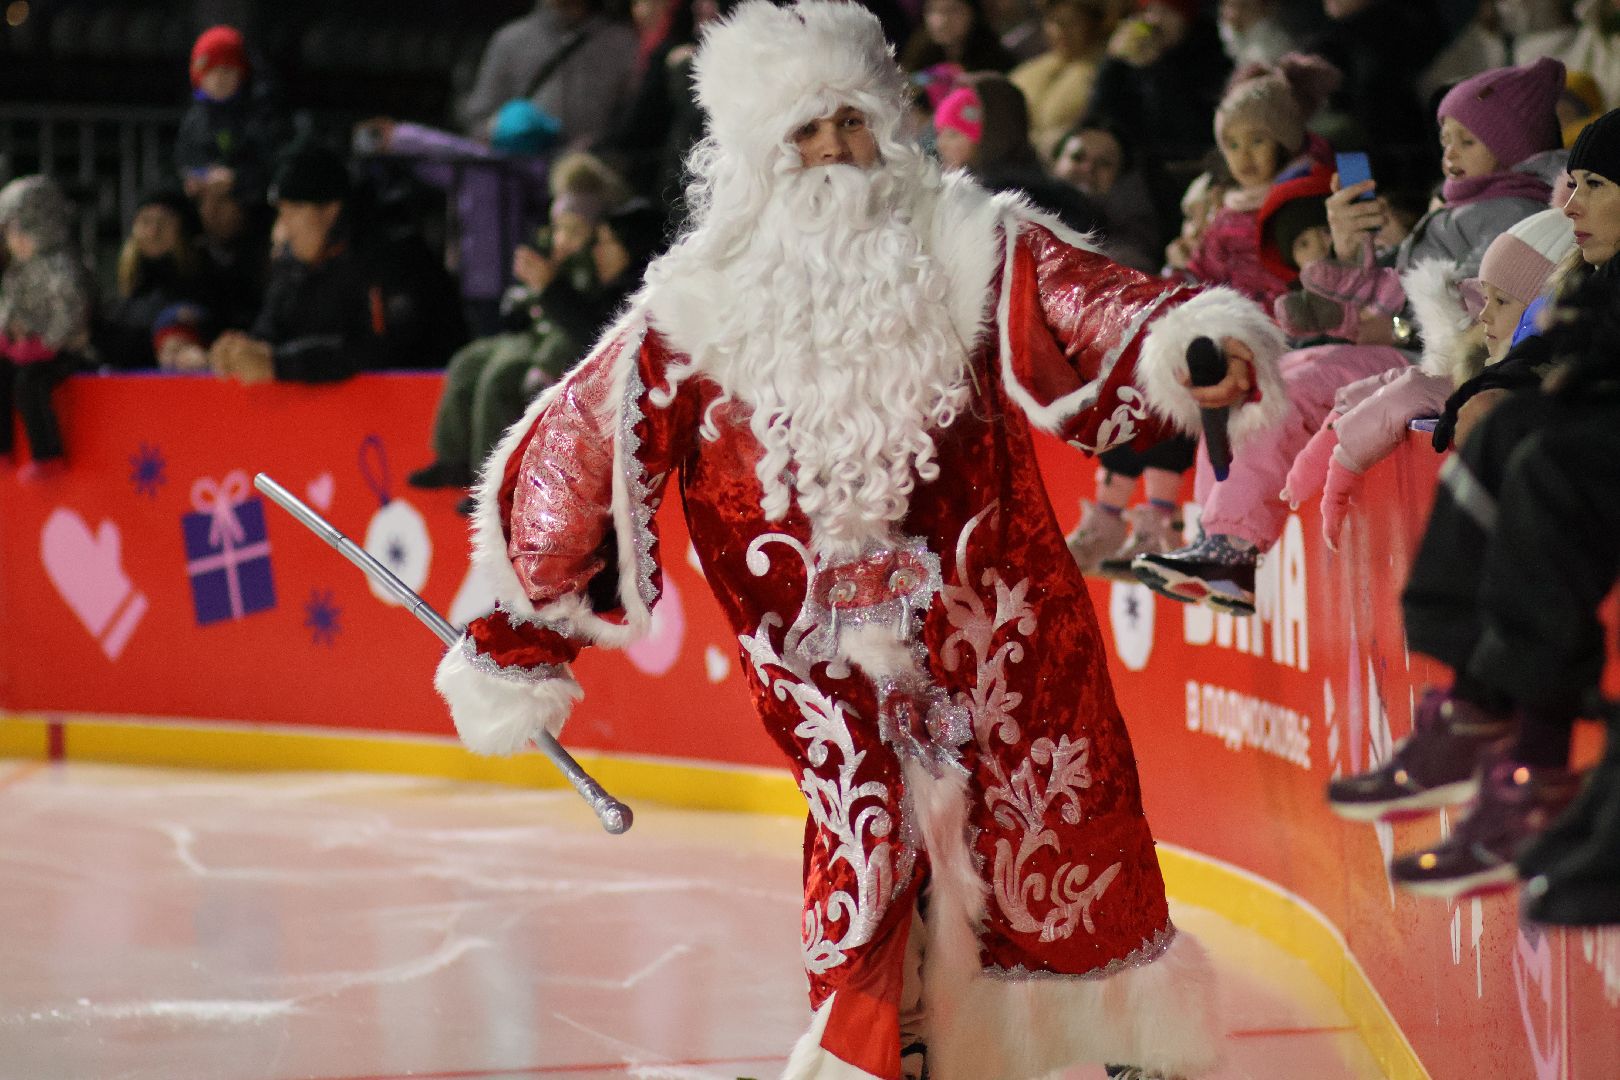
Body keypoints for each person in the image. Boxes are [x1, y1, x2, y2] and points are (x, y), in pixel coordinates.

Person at [431, 4, 1289, 1078]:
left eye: (852, 121)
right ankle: (887, 1046)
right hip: (819, 640)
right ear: (758, 157)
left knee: (1051, 813)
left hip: (994, 614)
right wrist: (518, 625)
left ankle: (1112, 1032)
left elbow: (1082, 301)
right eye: (807, 131)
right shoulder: (700, 302)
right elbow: (581, 443)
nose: (837, 151)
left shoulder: (966, 234)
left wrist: (1185, 338)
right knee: (869, 826)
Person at [1133, 57, 1569, 616]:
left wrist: (1375, 303)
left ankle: (1230, 545)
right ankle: (1216, 540)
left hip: (1438, 363)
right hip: (1406, 348)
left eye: (1468, 139)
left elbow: (1466, 306)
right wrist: (1351, 257)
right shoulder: (1465, 204)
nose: (1450, 152)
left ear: (1513, 142)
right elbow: (1400, 282)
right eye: (1445, 138)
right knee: (1271, 372)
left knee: (1301, 378)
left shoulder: (1509, 211)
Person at [1324, 107, 1620, 902]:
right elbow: (1547, 357)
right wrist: (1482, 392)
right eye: (1572, 184)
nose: (1569, 206)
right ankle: (1481, 718)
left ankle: (1535, 773)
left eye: (1593, 186)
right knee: (1502, 435)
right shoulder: (1600, 284)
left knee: (1547, 461)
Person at [1283, 208, 1576, 550]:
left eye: (1501, 300)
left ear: (1544, 310)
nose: (1484, 312)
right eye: (1484, 296)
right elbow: (1391, 387)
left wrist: (1338, 477)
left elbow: (1409, 392)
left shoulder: (1501, 381)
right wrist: (1311, 465)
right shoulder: (1475, 357)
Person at [208, 140, 466, 384]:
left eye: (294, 211)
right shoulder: (292, 263)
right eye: (280, 212)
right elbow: (270, 335)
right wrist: (238, 353)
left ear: (331, 209)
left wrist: (280, 365)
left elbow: (375, 352)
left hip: (416, 409)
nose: (284, 227)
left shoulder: (390, 254)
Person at [1180, 53, 1340, 308]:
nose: (1244, 156)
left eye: (1257, 141)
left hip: (1297, 314)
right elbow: (1204, 270)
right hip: (1236, 318)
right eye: (1232, 145)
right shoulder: (1227, 210)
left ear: (1283, 143)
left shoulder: (1306, 195)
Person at [457, 0, 639, 153]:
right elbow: (479, 118)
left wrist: (597, 147)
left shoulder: (622, 43)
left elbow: (631, 121)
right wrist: (501, 129)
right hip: (519, 175)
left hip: (587, 178)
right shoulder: (511, 39)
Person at [0, 176, 91, 482]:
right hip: (25, 348)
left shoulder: (62, 268)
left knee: (29, 384)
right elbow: (9, 307)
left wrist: (48, 344)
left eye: (25, 229)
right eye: (11, 231)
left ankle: (47, 454)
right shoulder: (18, 272)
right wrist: (6, 335)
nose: (17, 239)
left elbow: (71, 311)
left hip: (63, 351)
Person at [931, 74, 1103, 233]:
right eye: (939, 133)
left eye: (953, 135)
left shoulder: (1017, 200)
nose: (941, 144)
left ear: (992, 136)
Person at [96, 188, 208, 370]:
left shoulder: (203, 288)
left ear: (183, 229)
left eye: (164, 222)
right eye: (145, 221)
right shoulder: (124, 301)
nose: (153, 231)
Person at [174, 25, 283, 204]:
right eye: (210, 72)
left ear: (242, 74)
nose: (218, 79)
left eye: (227, 70)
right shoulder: (194, 120)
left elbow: (271, 166)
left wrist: (237, 179)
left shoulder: (260, 115)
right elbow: (181, 163)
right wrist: (191, 181)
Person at [1008, 0, 1117, 161]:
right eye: (1054, 21)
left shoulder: (1105, 73)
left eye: (1073, 22)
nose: (1061, 31)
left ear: (1092, 24)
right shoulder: (1027, 72)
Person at [900, 0, 1018, 76]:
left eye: (953, 10)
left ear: (973, 13)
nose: (940, 21)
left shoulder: (996, 62)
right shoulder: (918, 57)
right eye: (932, 10)